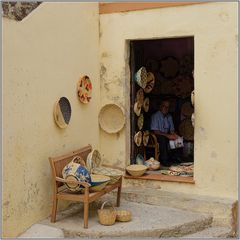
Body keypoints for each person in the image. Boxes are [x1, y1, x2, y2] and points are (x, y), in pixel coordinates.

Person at [150, 100, 179, 167]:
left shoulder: (169, 117)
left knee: (176, 137)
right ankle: (164, 161)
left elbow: (172, 130)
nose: (166, 108)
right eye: (164, 106)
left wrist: (174, 135)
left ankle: (175, 158)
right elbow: (155, 131)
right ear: (160, 107)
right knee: (163, 139)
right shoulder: (155, 116)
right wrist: (168, 135)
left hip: (165, 135)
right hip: (156, 135)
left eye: (167, 107)